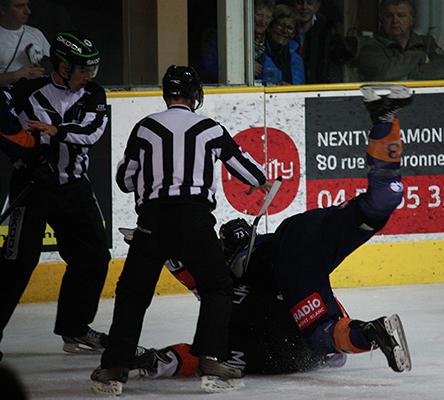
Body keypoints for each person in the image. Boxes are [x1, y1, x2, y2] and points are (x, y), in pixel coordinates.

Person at [128, 84, 414, 378]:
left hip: (289, 270)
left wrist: (156, 361)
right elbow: (195, 286)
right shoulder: (228, 282)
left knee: (321, 334)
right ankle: (385, 118)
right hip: (298, 231)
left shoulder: (231, 292)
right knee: (379, 204)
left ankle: (371, 333)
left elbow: (193, 343)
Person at [90, 65, 272, 396]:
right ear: (195, 96)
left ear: (166, 94)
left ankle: (115, 367)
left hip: (152, 220)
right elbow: (244, 166)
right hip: (195, 219)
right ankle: (210, 358)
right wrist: (263, 183)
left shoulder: (145, 128)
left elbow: (125, 180)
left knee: (133, 292)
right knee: (218, 287)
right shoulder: (209, 128)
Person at [0, 31, 111, 359]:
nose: (89, 76)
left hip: (74, 187)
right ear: (62, 66)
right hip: (32, 186)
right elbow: (5, 127)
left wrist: (56, 131)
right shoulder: (24, 91)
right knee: (17, 262)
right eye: (82, 69)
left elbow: (92, 133)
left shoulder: (94, 93)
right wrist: (23, 155)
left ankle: (75, 328)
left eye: (92, 68)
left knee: (93, 258)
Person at [358, 0, 444, 82]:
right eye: (389, 16)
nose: (395, 20)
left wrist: (407, 76)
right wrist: (419, 56)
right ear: (382, 20)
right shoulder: (370, 47)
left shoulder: (426, 42)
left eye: (401, 15)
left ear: (411, 20)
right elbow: (384, 74)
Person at [0, 0, 50, 86]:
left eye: (27, 5)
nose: (28, 11)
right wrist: (15, 76)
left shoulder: (36, 33)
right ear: (3, 9)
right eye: (19, 6)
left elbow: (52, 65)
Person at [290, 0, 335, 84]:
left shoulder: (326, 31)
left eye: (309, 3)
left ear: (317, 6)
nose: (304, 7)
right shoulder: (282, 30)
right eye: (299, 3)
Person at [260, 4, 305, 85]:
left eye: (290, 28)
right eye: (280, 25)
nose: (284, 31)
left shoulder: (297, 59)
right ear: (270, 27)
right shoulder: (258, 52)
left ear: (294, 34)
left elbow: (300, 90)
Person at [254, 0, 275, 81]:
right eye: (259, 15)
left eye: (268, 17)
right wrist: (245, 67)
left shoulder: (269, 41)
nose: (263, 21)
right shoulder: (230, 36)